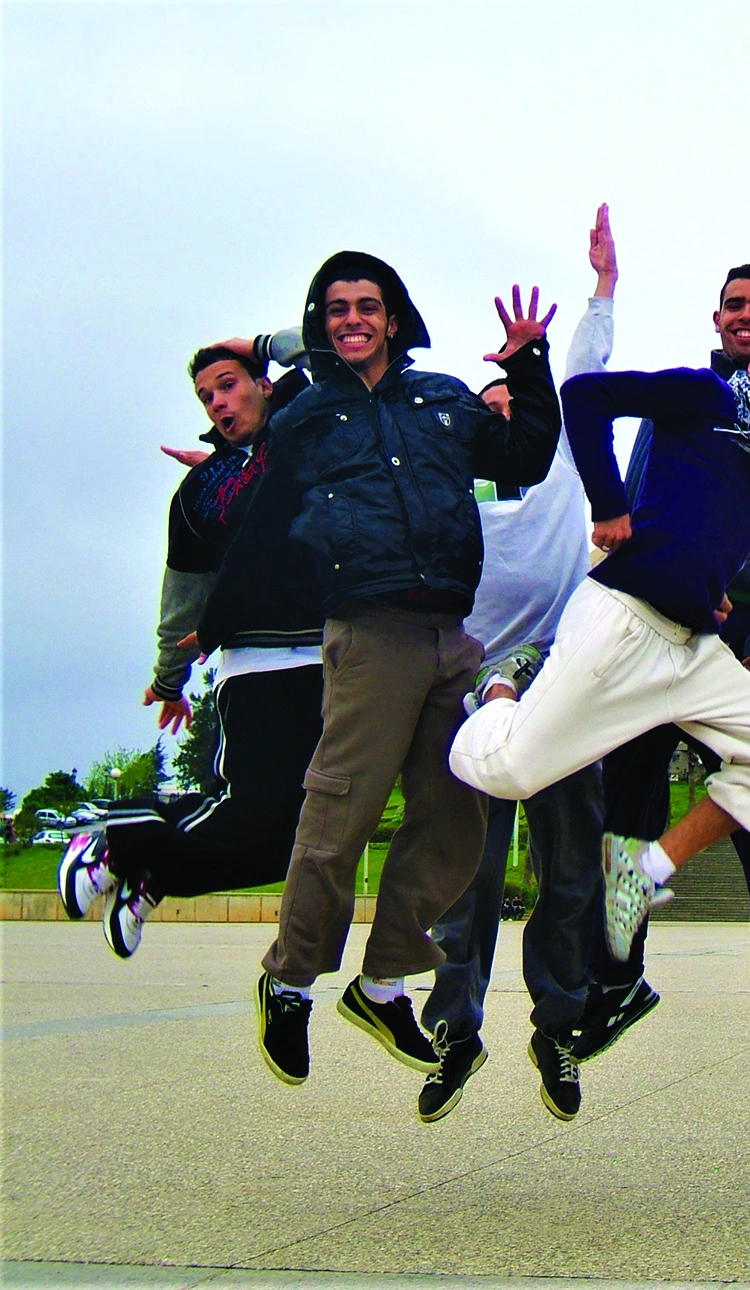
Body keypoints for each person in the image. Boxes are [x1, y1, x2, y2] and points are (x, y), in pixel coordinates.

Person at [201, 251, 561, 1086]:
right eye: (336, 309)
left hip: (451, 634)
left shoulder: (441, 399)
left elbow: (527, 456)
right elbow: (257, 508)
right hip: (368, 634)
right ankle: (290, 981)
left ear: (393, 317)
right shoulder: (303, 418)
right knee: (341, 815)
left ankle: (385, 979)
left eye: (368, 305)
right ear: (322, 323)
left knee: (457, 810)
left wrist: (527, 363)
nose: (352, 319)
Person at [447, 323, 750, 1012]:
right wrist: (609, 502)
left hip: (693, 649)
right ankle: (499, 689)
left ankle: (644, 871)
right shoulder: (706, 396)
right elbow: (586, 395)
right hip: (622, 622)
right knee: (513, 771)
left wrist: (709, 585)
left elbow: (710, 523)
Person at [581, 262, 750, 1069]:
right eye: (736, 306)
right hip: (662, 617)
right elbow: (642, 477)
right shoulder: (691, 392)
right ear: (719, 317)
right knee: (628, 794)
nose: (748, 317)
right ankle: (619, 975)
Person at [417, 205, 618, 1124]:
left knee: (570, 869)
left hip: (562, 688)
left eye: (513, 406)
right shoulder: (453, 491)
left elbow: (584, 374)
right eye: (490, 413)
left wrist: (601, 290)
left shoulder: (568, 463)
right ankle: (454, 1028)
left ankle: (559, 1026)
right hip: (471, 693)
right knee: (465, 870)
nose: (506, 418)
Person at [57, 340, 318, 959]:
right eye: (207, 396)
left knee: (290, 846)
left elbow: (328, 339)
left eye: (229, 384)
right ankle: (116, 840)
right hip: (257, 669)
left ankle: (152, 874)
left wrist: (258, 345)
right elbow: (181, 599)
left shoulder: (307, 427)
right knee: (251, 812)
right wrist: (168, 681)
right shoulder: (203, 490)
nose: (220, 402)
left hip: (334, 660)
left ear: (266, 383)